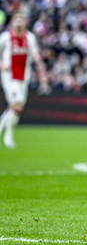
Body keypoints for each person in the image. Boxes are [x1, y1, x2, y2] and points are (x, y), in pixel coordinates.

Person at [0, 11, 47, 148]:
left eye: (22, 20)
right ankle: (8, 136)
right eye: (17, 20)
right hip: (9, 76)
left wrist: (41, 70)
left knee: (16, 108)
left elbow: (36, 55)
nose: (19, 22)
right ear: (13, 22)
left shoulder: (30, 38)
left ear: (25, 22)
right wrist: (2, 65)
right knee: (18, 103)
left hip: (24, 76)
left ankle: (8, 133)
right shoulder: (6, 37)